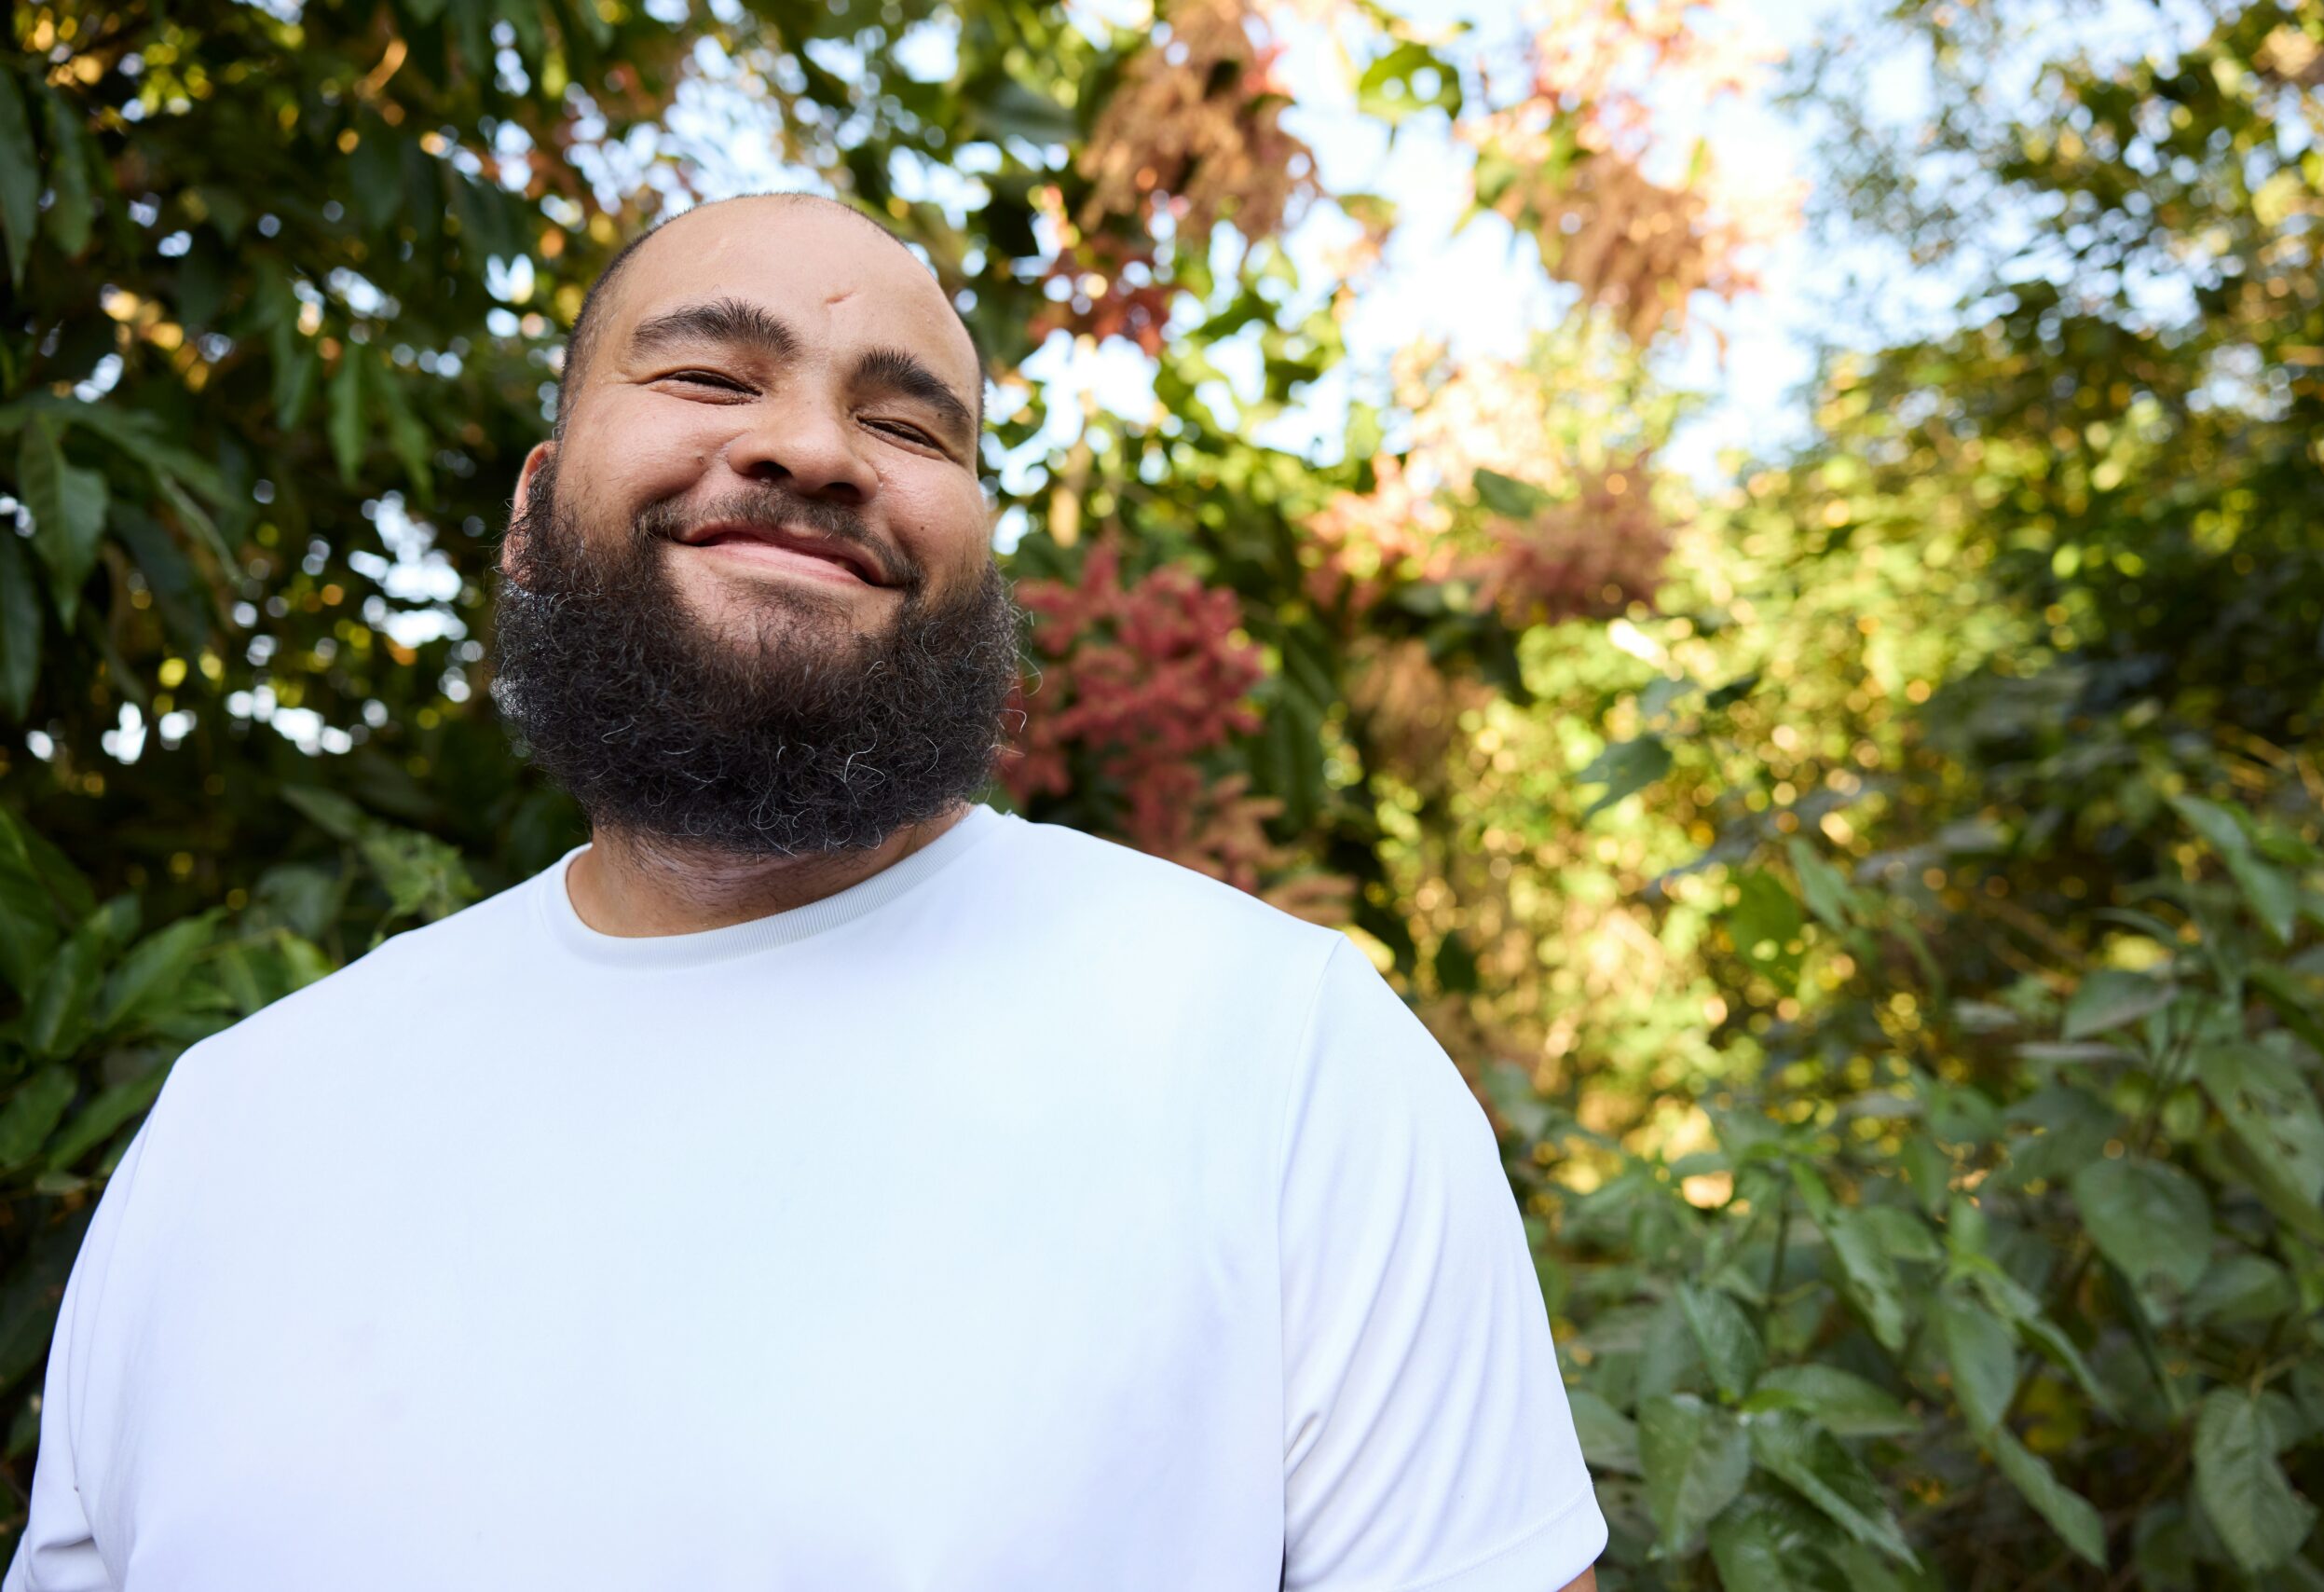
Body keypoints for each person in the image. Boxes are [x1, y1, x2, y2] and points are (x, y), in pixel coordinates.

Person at [4, 193, 1604, 1592]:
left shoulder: (1284, 1060)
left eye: (911, 427)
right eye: (708, 373)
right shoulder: (233, 1129)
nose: (815, 447)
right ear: (527, 517)